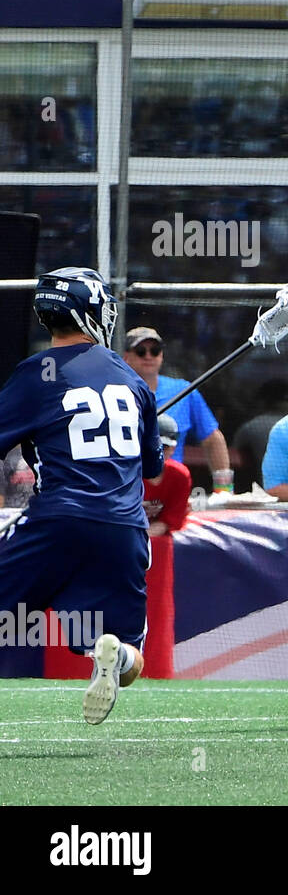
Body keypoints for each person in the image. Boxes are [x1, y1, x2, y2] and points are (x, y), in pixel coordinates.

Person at [0, 267, 163, 724]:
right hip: (123, 529)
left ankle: (99, 644)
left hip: (58, 520)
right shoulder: (133, 380)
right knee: (132, 656)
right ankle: (111, 654)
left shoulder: (37, 373)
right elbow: (151, 469)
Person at [122, 326, 233, 494]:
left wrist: (224, 490)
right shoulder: (114, 392)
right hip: (128, 488)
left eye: (155, 350)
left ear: (162, 355)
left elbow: (212, 439)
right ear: (126, 357)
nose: (148, 356)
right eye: (140, 351)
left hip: (172, 491)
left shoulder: (184, 391)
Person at [143, 414, 192, 537]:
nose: (157, 452)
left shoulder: (180, 476)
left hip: (152, 540)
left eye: (164, 447)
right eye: (152, 445)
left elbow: (168, 522)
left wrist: (141, 539)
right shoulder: (126, 473)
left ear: (173, 449)